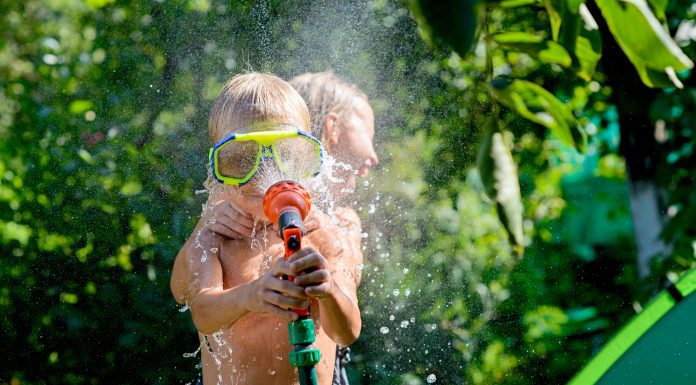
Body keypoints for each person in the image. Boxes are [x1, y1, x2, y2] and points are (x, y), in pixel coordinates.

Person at [171, 73, 362, 385]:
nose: (266, 174)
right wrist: (250, 296)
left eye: (286, 155)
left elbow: (348, 331)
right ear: (221, 170)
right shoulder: (214, 237)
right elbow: (203, 313)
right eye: (243, 160)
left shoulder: (321, 236)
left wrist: (328, 291)